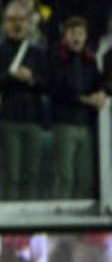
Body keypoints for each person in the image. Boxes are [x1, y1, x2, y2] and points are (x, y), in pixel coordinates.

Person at [0, 3, 47, 200]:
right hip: (7, 120)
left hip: (33, 120)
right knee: (11, 174)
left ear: (28, 23)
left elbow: (48, 84)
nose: (17, 24)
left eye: (21, 20)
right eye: (12, 20)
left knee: (33, 174)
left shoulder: (37, 52)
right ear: (3, 24)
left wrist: (31, 79)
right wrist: (12, 76)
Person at [49, 16, 106, 199]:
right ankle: (61, 211)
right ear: (65, 36)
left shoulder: (90, 60)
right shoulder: (56, 58)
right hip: (64, 124)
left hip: (86, 125)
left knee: (85, 176)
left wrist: (101, 93)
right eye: (73, 33)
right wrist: (84, 100)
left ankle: (82, 213)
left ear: (86, 37)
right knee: (65, 175)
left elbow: (99, 84)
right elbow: (56, 91)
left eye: (80, 34)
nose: (76, 37)